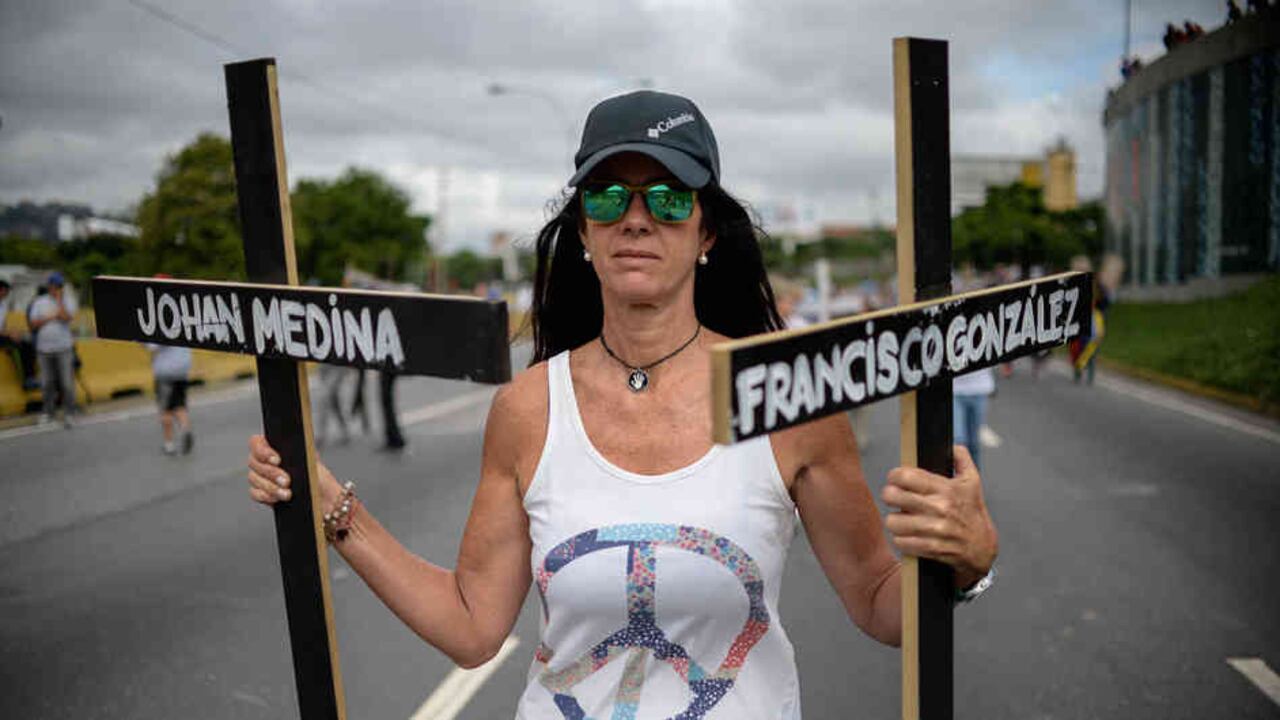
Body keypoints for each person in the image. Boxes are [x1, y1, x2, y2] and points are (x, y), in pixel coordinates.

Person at [245, 91, 998, 717]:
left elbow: (876, 600)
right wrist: (329, 505)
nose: (636, 218)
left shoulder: (785, 399)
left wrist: (965, 563)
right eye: (608, 196)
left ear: (706, 230)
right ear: (583, 230)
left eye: (668, 197)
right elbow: (473, 627)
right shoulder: (529, 408)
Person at [28, 272, 79, 427]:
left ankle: (69, 413)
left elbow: (66, 317)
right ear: (49, 286)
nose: (56, 289)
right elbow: (34, 323)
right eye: (54, 286)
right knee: (47, 383)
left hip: (63, 348)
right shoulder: (39, 302)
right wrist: (51, 317)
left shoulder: (68, 301)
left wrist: (59, 302)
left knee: (66, 383)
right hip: (44, 349)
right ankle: (48, 412)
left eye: (59, 286)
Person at [148, 341, 194, 455]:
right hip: (182, 371)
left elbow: (152, 347)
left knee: (165, 409)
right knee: (179, 405)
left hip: (166, 372)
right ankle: (185, 429)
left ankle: (169, 444)